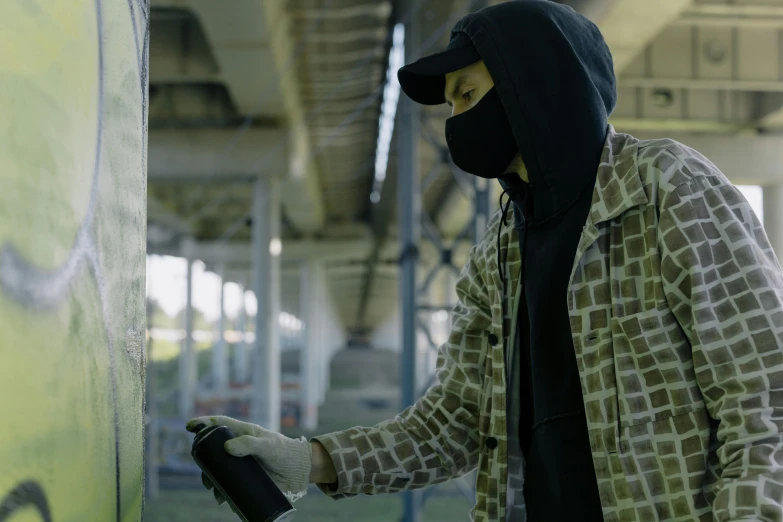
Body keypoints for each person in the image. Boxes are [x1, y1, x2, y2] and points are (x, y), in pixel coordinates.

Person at [186, 1, 783, 520]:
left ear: (533, 86)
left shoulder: (665, 189)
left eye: (467, 95)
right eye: (449, 106)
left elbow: (764, 399)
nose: (455, 121)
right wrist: (307, 459)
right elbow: (451, 424)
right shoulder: (499, 251)